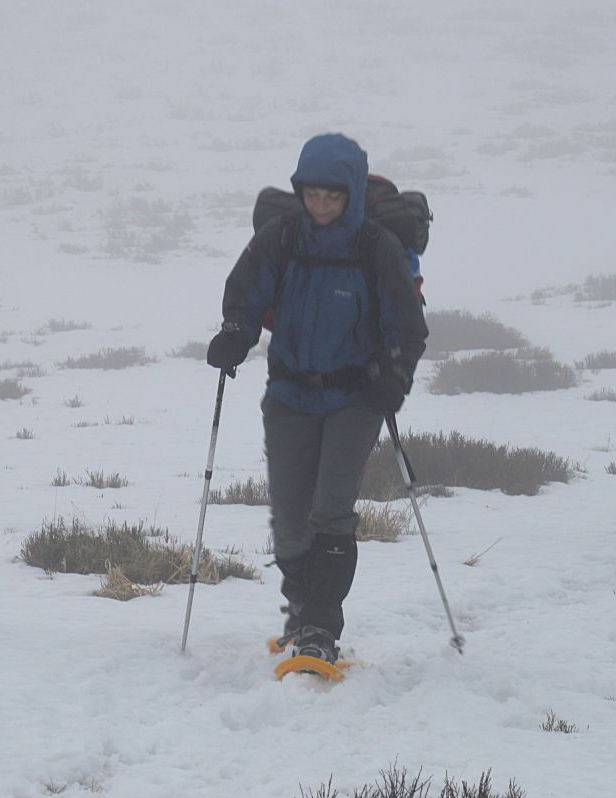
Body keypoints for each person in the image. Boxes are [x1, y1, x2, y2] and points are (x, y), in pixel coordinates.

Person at [206, 133, 428, 662]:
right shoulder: (282, 238)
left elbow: (407, 325)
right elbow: (245, 292)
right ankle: (302, 611)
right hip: (289, 393)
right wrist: (235, 334)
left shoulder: (377, 248)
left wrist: (394, 377)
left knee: (330, 511)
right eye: (312, 194)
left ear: (350, 192)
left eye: (333, 196)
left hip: (356, 396)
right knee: (288, 518)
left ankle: (321, 629)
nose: (322, 206)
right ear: (299, 190)